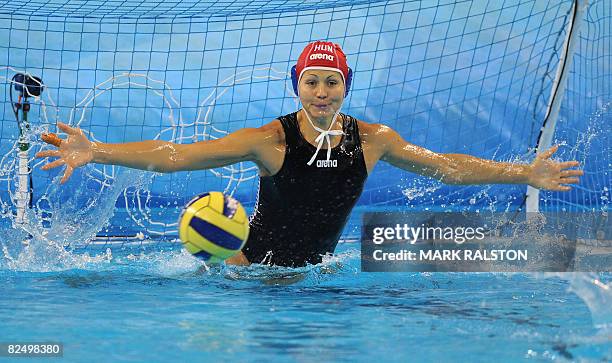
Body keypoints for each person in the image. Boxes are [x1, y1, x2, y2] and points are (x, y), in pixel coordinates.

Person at [36, 41, 583, 267]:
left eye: (332, 82)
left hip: (317, 277)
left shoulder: (375, 140)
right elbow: (180, 155)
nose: (322, 93)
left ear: (346, 85)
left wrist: (526, 172)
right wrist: (98, 150)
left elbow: (449, 166)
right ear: (297, 85)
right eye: (312, 82)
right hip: (247, 276)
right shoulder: (270, 141)